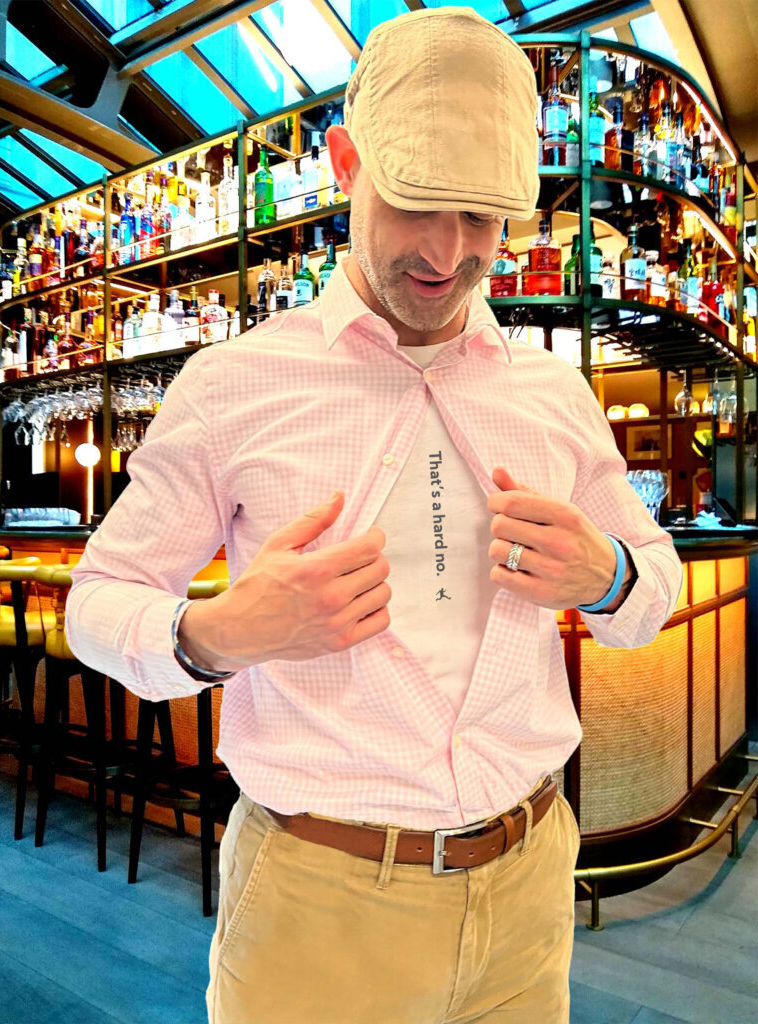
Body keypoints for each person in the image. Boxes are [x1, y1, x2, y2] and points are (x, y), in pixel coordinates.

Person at [66, 7, 684, 1023]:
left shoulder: (554, 392)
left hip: (530, 884)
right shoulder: (233, 384)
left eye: (481, 217)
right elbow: (97, 602)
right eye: (415, 204)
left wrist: (606, 574)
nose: (447, 251)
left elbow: (653, 584)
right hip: (319, 903)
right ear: (347, 165)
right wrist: (217, 633)